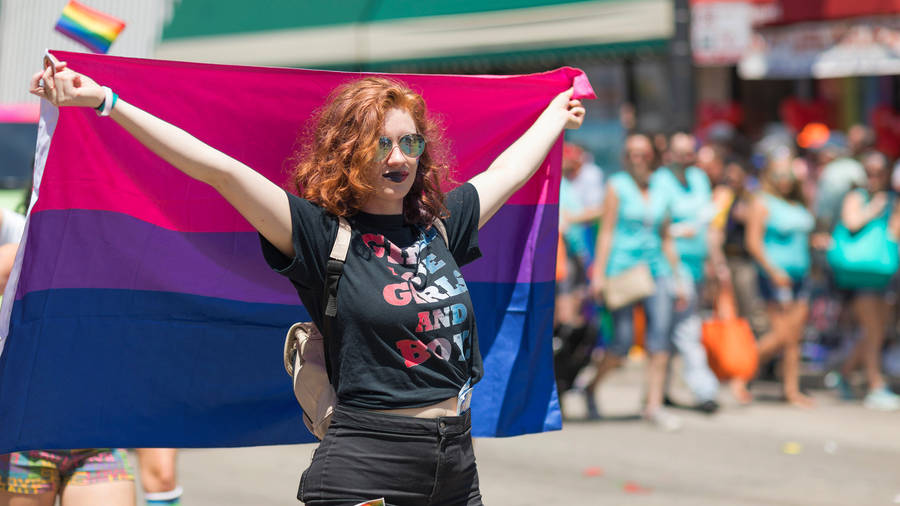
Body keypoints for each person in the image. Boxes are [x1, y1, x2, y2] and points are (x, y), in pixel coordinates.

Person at [31, 55, 584, 505]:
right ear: (350, 152)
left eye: (411, 142)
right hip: (367, 464)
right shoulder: (321, 235)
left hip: (455, 463)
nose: (400, 156)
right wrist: (106, 102)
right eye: (382, 143)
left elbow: (508, 171)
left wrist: (559, 111)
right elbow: (217, 169)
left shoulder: (440, 227)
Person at [588, 133, 683, 431]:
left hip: (657, 270)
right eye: (631, 154)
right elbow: (606, 232)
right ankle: (591, 387)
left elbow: (666, 236)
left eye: (642, 153)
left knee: (660, 339)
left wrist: (678, 277)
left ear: (651, 156)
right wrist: (599, 273)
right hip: (623, 270)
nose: (637, 159)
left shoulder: (663, 187)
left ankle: (653, 404)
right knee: (622, 344)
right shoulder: (617, 186)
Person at [652, 132, 720, 413]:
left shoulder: (700, 180)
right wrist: (681, 231)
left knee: (675, 331)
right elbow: (658, 226)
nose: (685, 158)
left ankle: (660, 391)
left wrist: (715, 261)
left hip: (696, 265)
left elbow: (708, 223)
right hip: (670, 267)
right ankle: (705, 390)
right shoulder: (660, 182)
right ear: (669, 154)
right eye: (679, 152)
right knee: (685, 331)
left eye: (689, 152)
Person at [829, 150, 900, 411]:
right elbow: (851, 222)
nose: (873, 177)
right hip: (860, 275)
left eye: (879, 173)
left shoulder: (893, 200)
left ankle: (844, 375)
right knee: (872, 331)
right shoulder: (856, 197)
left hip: (885, 273)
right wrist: (874, 209)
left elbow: (895, 234)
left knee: (877, 331)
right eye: (869, 172)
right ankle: (875, 384)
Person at [744, 154, 815, 407]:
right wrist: (773, 271)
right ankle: (740, 373)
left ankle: (791, 390)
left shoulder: (798, 203)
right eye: (779, 174)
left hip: (801, 277)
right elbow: (753, 243)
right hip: (775, 278)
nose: (784, 180)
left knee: (795, 338)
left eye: (788, 175)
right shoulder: (761, 202)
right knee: (781, 335)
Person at [709, 157, 766, 404]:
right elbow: (715, 230)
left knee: (751, 320)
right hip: (729, 264)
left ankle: (745, 372)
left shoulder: (751, 200)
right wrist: (718, 263)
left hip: (745, 264)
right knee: (731, 319)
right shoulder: (723, 197)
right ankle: (732, 371)